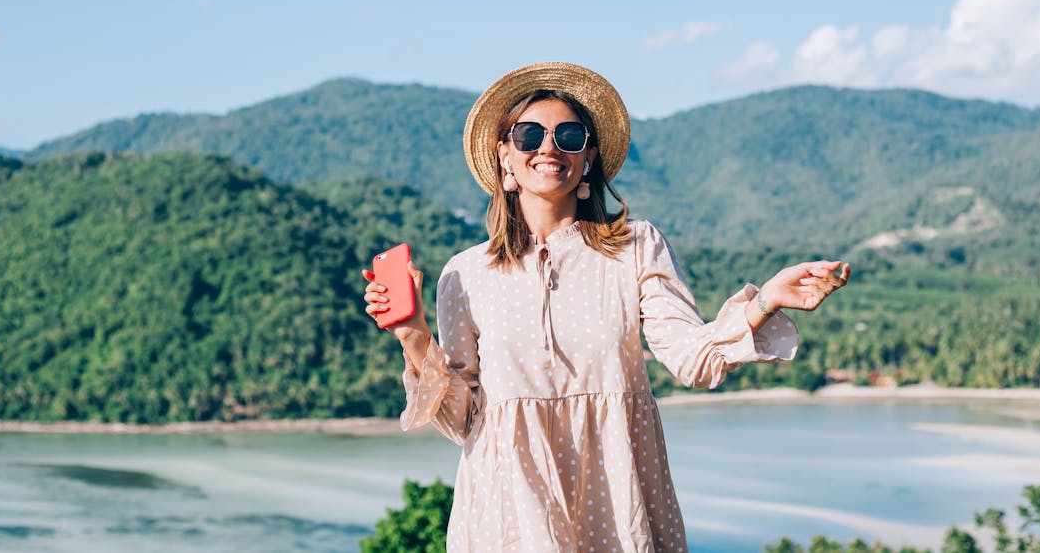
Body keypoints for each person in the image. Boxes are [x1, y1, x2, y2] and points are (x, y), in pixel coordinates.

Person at [363, 62, 849, 552]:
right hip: (507, 514)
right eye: (529, 134)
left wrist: (765, 300)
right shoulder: (463, 274)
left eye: (569, 135)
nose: (548, 146)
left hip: (618, 504)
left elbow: (692, 360)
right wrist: (413, 334)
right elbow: (463, 420)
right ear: (504, 155)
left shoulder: (637, 247)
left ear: (588, 158)